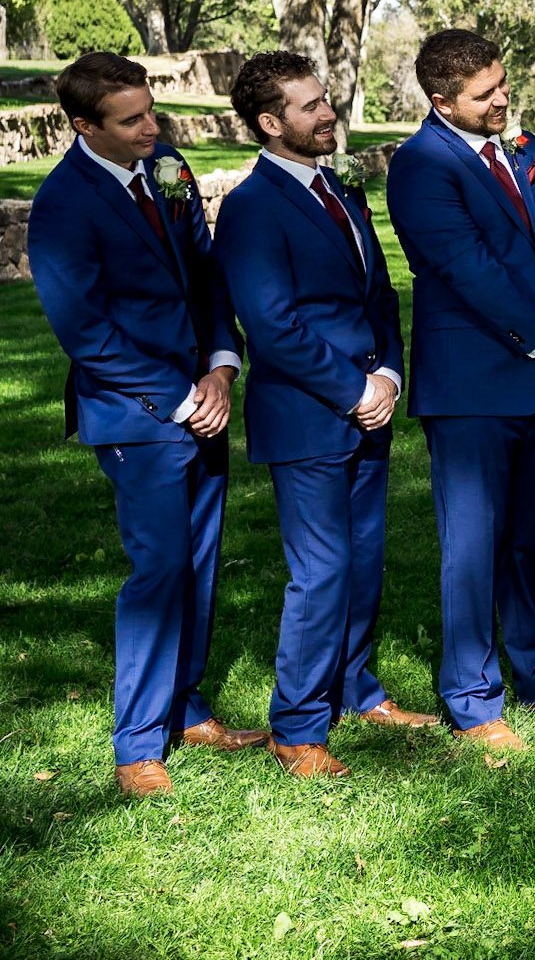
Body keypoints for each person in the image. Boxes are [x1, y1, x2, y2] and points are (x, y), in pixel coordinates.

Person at [27, 51, 263, 796]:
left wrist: (222, 363)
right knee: (158, 573)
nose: (150, 128)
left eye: (151, 110)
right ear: (82, 125)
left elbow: (204, 268)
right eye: (130, 120)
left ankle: (187, 707)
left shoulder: (166, 164)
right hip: (138, 414)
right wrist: (182, 395)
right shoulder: (62, 204)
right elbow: (85, 331)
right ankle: (136, 746)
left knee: (199, 563)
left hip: (205, 395)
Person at [214, 53, 441, 779]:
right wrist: (352, 387)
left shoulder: (336, 188)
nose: (327, 113)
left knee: (366, 560)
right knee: (322, 571)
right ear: (269, 122)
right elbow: (272, 325)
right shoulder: (252, 205)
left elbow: (378, 292)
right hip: (307, 414)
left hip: (369, 405)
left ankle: (356, 688)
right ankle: (298, 726)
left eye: (326, 100)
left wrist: (390, 372)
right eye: (309, 107)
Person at [385, 29, 535, 752]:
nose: (502, 99)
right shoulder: (421, 166)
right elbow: (466, 266)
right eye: (485, 95)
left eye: (503, 84)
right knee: (473, 545)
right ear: (441, 99)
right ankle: (472, 697)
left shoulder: (526, 148)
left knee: (530, 536)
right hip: (474, 388)